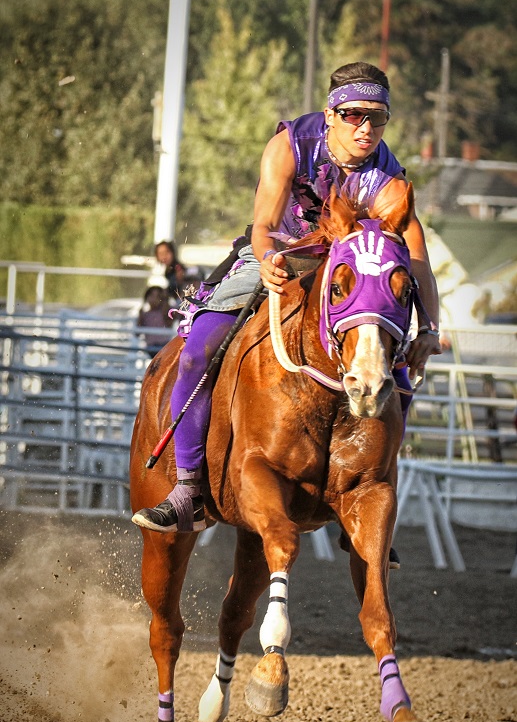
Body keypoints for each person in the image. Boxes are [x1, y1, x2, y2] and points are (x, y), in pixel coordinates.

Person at [132, 61, 441, 539]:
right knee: (195, 353)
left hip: (345, 273)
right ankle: (188, 488)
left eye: (378, 118)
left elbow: (416, 260)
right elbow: (261, 226)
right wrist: (269, 260)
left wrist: (429, 329)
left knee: (396, 373)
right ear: (331, 113)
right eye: (355, 114)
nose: (366, 128)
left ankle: (366, 490)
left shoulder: (389, 177)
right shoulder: (290, 145)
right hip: (278, 252)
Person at [137, 285, 173, 358]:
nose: (154, 299)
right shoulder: (145, 314)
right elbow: (137, 333)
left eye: (157, 297)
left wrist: (165, 300)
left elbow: (169, 323)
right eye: (151, 296)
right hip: (151, 347)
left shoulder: (164, 312)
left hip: (163, 346)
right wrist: (140, 317)